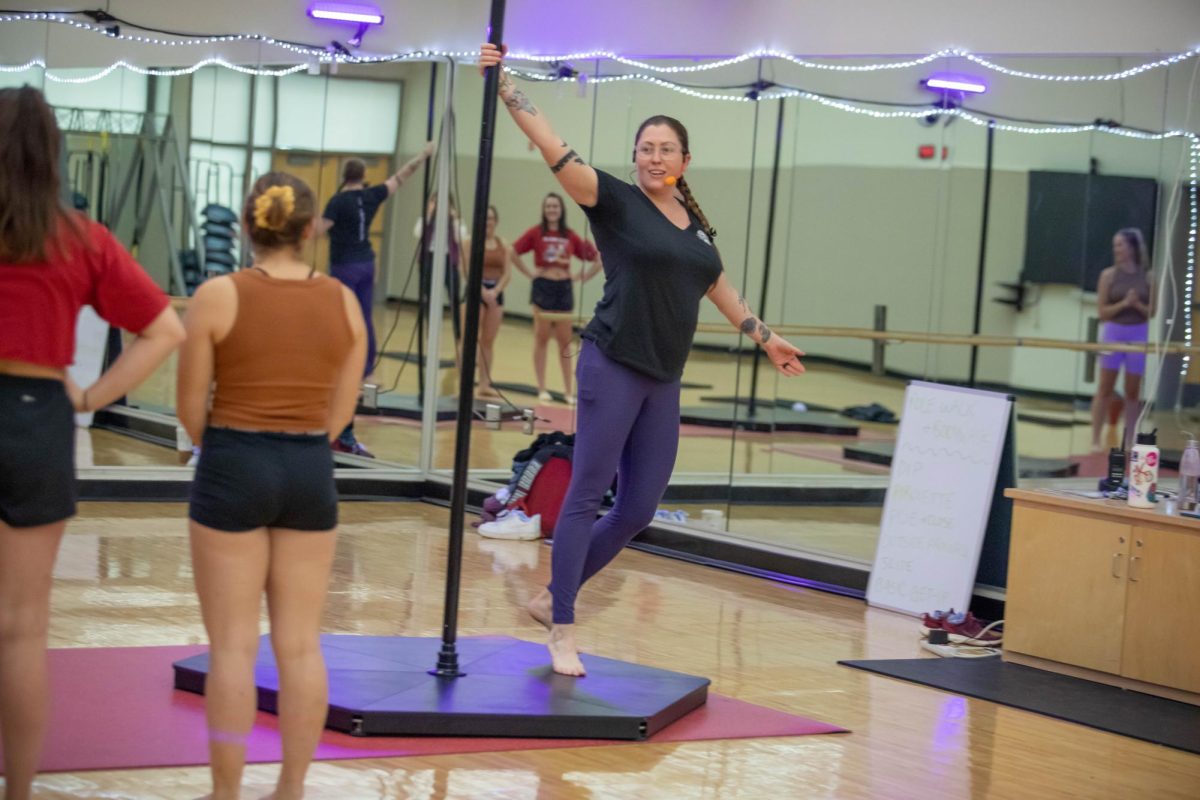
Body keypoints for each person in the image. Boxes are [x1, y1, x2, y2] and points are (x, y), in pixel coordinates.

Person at [479, 44, 805, 676]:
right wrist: (506, 85)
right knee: (584, 496)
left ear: (685, 162)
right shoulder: (615, 202)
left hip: (663, 379)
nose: (655, 157)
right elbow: (552, 144)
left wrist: (765, 336)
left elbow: (716, 287)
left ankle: (553, 597)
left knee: (637, 509)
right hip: (612, 364)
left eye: (666, 150)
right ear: (635, 156)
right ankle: (563, 626)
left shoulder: (695, 227)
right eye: (646, 147)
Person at [0, 86, 185, 800]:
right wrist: (86, 397)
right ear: (53, 157)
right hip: (39, 414)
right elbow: (165, 328)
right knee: (21, 630)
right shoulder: (79, 237)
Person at [177, 173, 367, 800]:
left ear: (249, 226)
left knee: (231, 647)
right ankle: (290, 788)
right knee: (299, 645)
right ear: (311, 229)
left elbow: (189, 412)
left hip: (234, 459)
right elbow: (340, 418)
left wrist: (237, 445)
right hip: (310, 468)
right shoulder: (343, 301)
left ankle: (226, 791)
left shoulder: (216, 295)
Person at [319, 144, 432, 457]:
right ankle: (367, 369)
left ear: (344, 176)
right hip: (366, 263)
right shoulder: (371, 196)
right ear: (364, 176)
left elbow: (320, 229)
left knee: (342, 316)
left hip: (344, 265)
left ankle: (340, 362)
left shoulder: (337, 201)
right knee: (365, 316)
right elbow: (400, 176)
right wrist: (421, 157)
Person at [511, 192, 601, 404]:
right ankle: (541, 388)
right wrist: (529, 273)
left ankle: (569, 391)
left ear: (561, 210)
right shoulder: (535, 233)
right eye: (549, 206)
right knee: (541, 337)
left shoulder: (570, 235)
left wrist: (583, 276)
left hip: (564, 289)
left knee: (565, 341)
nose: (552, 210)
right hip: (543, 287)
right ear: (544, 210)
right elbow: (512, 251)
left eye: (555, 206)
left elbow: (597, 258)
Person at [1090, 228, 1153, 453]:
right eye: (1115, 245)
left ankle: (1129, 440)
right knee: (1104, 387)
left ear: (1132, 248)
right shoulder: (1108, 276)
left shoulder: (1147, 276)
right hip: (1113, 333)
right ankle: (1095, 439)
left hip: (1138, 333)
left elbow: (1151, 312)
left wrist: (1136, 305)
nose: (1117, 249)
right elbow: (1103, 312)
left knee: (1133, 391)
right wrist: (1124, 304)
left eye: (1121, 245)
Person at [461, 205, 520, 396]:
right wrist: (481, 290)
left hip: (495, 294)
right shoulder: (469, 242)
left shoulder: (504, 245)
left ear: (496, 222)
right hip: (474, 292)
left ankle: (484, 383)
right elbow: (466, 271)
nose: (488, 222)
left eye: (491, 218)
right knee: (468, 339)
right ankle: (464, 381)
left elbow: (507, 274)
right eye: (485, 218)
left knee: (488, 340)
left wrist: (495, 291)